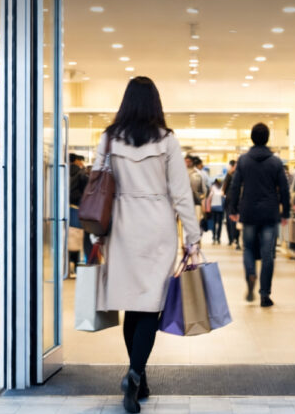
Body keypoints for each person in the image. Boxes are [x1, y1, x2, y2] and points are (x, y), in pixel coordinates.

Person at [93, 77, 201, 413]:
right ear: (155, 103)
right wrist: (193, 237)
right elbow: (181, 193)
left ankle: (136, 375)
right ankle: (136, 374)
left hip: (122, 226)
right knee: (149, 306)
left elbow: (97, 184)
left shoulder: (109, 138)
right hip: (157, 225)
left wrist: (97, 233)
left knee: (131, 304)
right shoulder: (167, 139)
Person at [226, 123, 291, 308]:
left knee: (248, 249)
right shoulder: (276, 162)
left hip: (249, 212)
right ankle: (265, 294)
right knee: (267, 253)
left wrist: (233, 210)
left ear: (252, 138)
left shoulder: (244, 160)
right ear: (267, 138)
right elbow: (284, 189)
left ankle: (251, 274)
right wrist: (285, 211)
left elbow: (235, 186)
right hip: (270, 213)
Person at [68, 153, 91, 264]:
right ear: (77, 161)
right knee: (84, 236)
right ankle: (86, 262)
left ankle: (71, 262)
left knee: (71, 235)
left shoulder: (62, 171)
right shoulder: (81, 173)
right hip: (79, 208)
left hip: (67, 208)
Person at [224, 160, 241, 250]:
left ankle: (233, 239)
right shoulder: (241, 175)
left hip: (232, 202)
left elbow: (223, 190)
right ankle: (235, 239)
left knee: (231, 221)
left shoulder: (229, 175)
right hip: (236, 202)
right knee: (235, 222)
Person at [205, 179, 226, 244]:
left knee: (214, 223)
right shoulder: (222, 188)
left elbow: (209, 198)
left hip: (214, 208)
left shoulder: (212, 188)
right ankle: (217, 238)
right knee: (219, 224)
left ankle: (214, 237)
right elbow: (224, 197)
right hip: (220, 208)